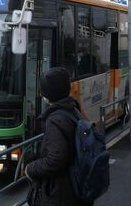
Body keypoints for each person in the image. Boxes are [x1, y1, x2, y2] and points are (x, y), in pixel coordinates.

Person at [26, 67, 88, 206]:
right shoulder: (73, 110)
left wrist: (30, 168)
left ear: (47, 94)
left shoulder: (56, 119)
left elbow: (56, 159)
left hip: (62, 193)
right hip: (77, 185)